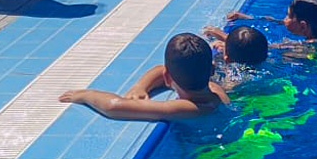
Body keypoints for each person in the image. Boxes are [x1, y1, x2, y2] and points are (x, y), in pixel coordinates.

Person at [60, 32, 228, 120]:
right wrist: (140, 87)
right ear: (212, 69)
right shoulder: (215, 90)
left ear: (168, 78)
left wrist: (86, 95)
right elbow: (161, 70)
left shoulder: (185, 109)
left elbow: (113, 107)